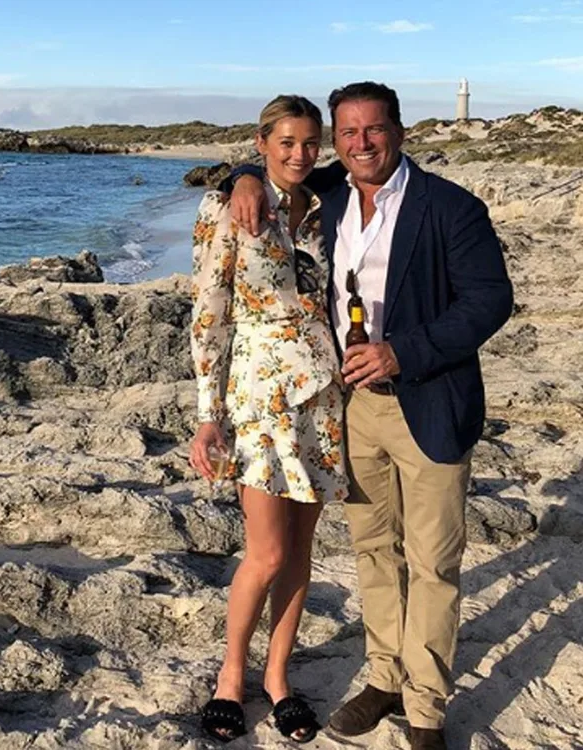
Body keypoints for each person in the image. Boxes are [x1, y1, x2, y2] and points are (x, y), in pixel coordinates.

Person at [226, 82, 513, 750]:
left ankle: (427, 708)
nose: (361, 143)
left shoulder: (451, 207)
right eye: (347, 132)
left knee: (433, 563)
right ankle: (384, 676)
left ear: (400, 132)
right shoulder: (326, 191)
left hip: (429, 402)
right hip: (350, 411)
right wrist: (242, 173)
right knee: (372, 554)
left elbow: (489, 301)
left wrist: (401, 352)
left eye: (374, 130)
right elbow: (272, 164)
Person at [189, 94, 349, 743]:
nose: (299, 154)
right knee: (268, 550)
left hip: (325, 398)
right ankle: (231, 676)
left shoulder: (328, 209)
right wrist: (208, 416)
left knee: (302, 552)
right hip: (257, 397)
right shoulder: (230, 205)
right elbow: (208, 313)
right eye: (286, 143)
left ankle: (278, 679)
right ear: (262, 142)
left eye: (311, 143)